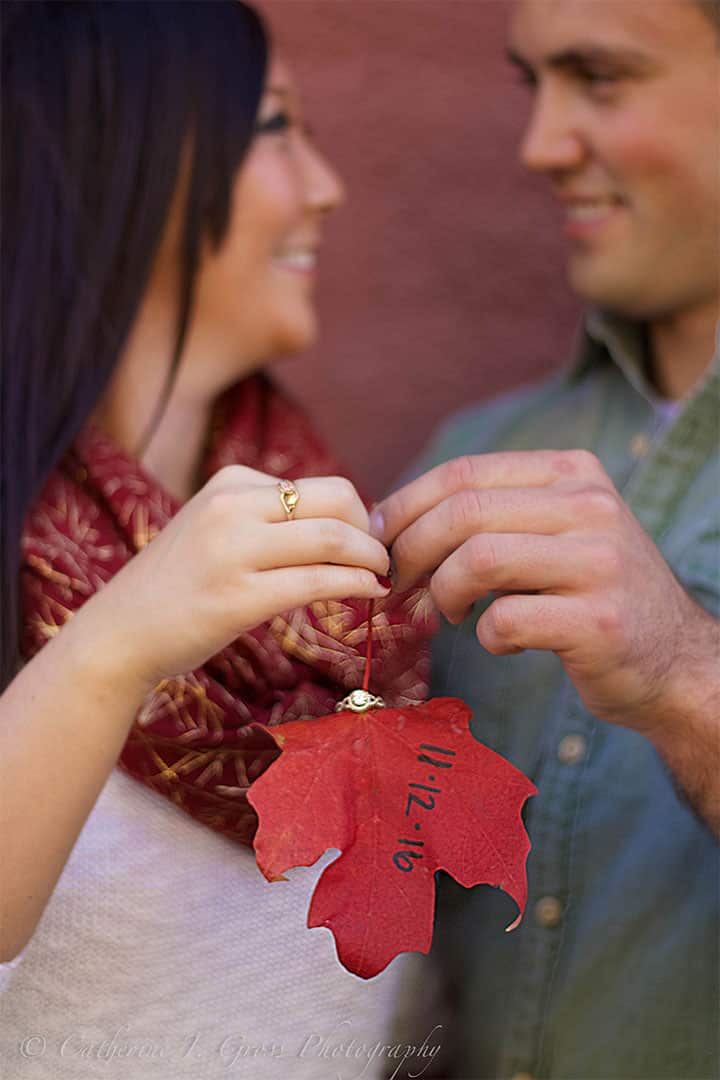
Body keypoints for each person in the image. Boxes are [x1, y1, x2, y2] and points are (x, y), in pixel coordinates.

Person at [0, 4, 430, 1078]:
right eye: (278, 127)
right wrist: (114, 646)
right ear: (133, 159)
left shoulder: (344, 584)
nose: (326, 188)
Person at [373, 1, 720, 1077]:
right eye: (535, 84)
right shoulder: (477, 455)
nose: (540, 146)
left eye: (600, 78)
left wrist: (684, 676)